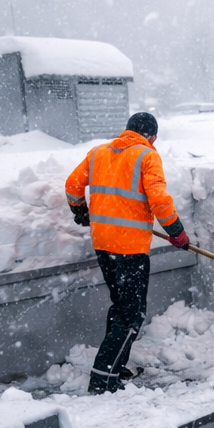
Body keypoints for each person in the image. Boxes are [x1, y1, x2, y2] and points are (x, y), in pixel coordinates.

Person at [65, 112, 190, 394]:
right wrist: (177, 233)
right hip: (130, 249)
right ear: (152, 137)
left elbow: (72, 186)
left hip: (103, 245)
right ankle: (102, 378)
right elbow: (159, 201)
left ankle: (115, 368)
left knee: (120, 307)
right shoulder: (147, 156)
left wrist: (81, 212)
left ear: (128, 130)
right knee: (131, 315)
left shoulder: (98, 153)